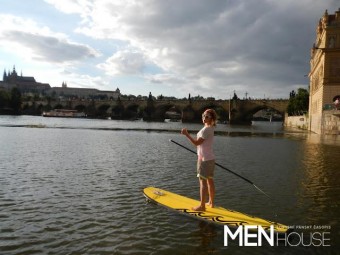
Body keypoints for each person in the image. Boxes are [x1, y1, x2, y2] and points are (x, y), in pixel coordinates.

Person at [181, 109, 217, 211]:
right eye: (203, 116)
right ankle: (211, 202)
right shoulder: (209, 128)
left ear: (212, 119)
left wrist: (187, 134)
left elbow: (197, 143)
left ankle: (202, 206)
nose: (204, 118)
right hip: (210, 158)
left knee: (202, 182)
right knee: (210, 180)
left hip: (204, 159)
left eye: (207, 117)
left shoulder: (206, 130)